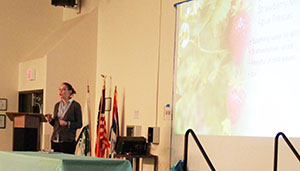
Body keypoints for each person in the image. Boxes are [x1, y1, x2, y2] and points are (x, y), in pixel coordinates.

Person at [46, 82, 82, 154]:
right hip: (55, 140)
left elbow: (79, 124)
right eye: (60, 90)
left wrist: (67, 123)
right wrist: (50, 120)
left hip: (67, 140)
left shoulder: (75, 106)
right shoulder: (57, 105)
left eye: (64, 89)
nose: (61, 92)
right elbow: (56, 124)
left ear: (70, 92)